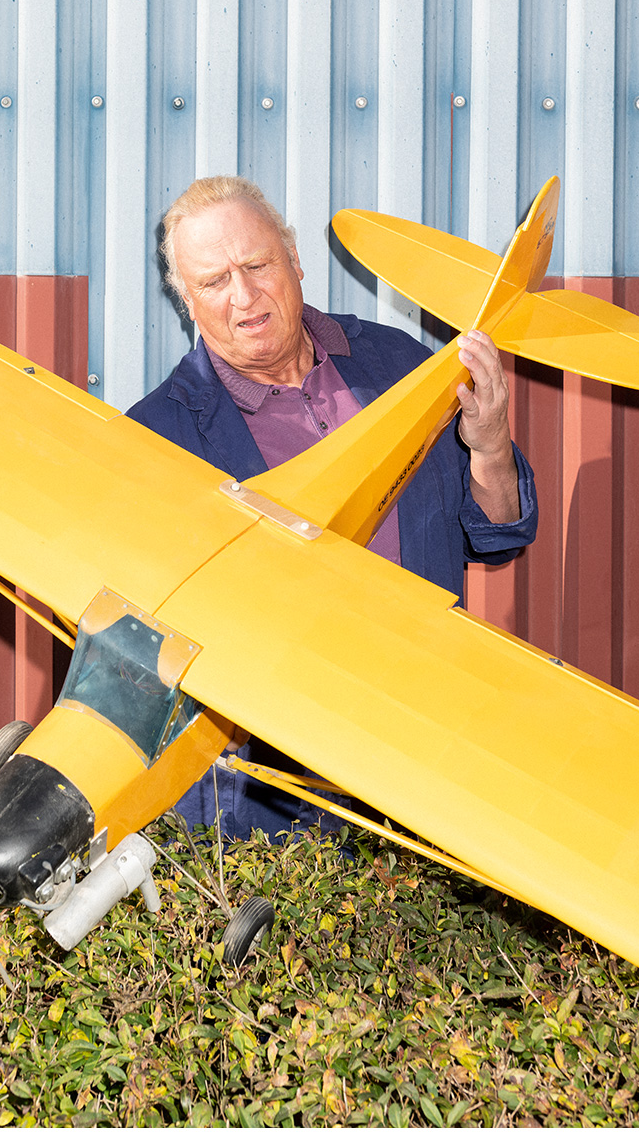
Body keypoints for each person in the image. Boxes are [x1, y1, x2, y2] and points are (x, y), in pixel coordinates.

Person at [126, 175, 538, 841]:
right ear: (188, 303)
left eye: (257, 265)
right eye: (214, 281)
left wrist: (489, 444)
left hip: (426, 756)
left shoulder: (396, 363)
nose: (243, 296)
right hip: (271, 805)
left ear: (294, 260)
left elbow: (497, 533)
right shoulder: (154, 441)